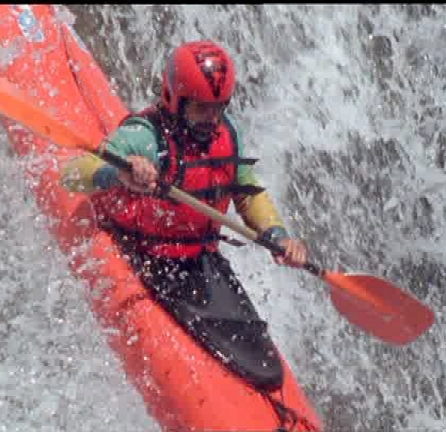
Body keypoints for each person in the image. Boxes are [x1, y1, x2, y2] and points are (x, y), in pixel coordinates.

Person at [59, 40, 309, 390]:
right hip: (142, 253)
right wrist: (120, 172)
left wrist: (278, 236)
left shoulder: (226, 133)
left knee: (265, 369)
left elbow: (248, 191)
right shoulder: (145, 138)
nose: (211, 119)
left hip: (197, 260)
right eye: (200, 109)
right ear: (174, 99)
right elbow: (72, 174)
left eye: (218, 108)